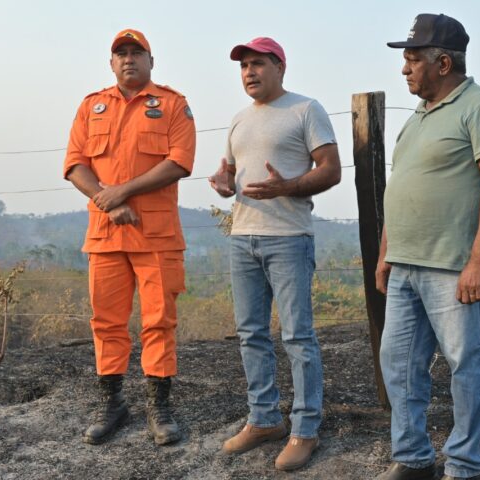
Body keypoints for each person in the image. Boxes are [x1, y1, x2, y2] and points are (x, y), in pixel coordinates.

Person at [374, 14, 480, 480]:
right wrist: (385, 253)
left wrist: (479, 261)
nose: (404, 69)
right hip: (406, 267)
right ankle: (413, 458)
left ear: (442, 62)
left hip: (453, 269)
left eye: (412, 59)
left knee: (465, 365)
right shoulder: (417, 119)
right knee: (397, 364)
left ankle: (466, 464)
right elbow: (400, 190)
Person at [209, 37, 341, 471]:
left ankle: (305, 428)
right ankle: (264, 419)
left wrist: (288, 186)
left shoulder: (306, 110)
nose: (249, 72)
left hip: (288, 237)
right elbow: (229, 172)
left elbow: (331, 170)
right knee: (251, 334)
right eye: (244, 65)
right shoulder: (238, 121)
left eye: (258, 63)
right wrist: (223, 181)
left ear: (280, 67)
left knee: (298, 337)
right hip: (243, 236)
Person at [62, 28, 196, 447]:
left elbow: (179, 161)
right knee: (106, 323)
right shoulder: (91, 106)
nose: (128, 59)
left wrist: (124, 191)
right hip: (105, 235)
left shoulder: (172, 105)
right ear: (111, 63)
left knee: (159, 322)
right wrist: (107, 198)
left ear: (151, 61)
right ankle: (112, 404)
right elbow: (74, 164)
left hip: (155, 235)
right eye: (120, 53)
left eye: (136, 53)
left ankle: (160, 408)